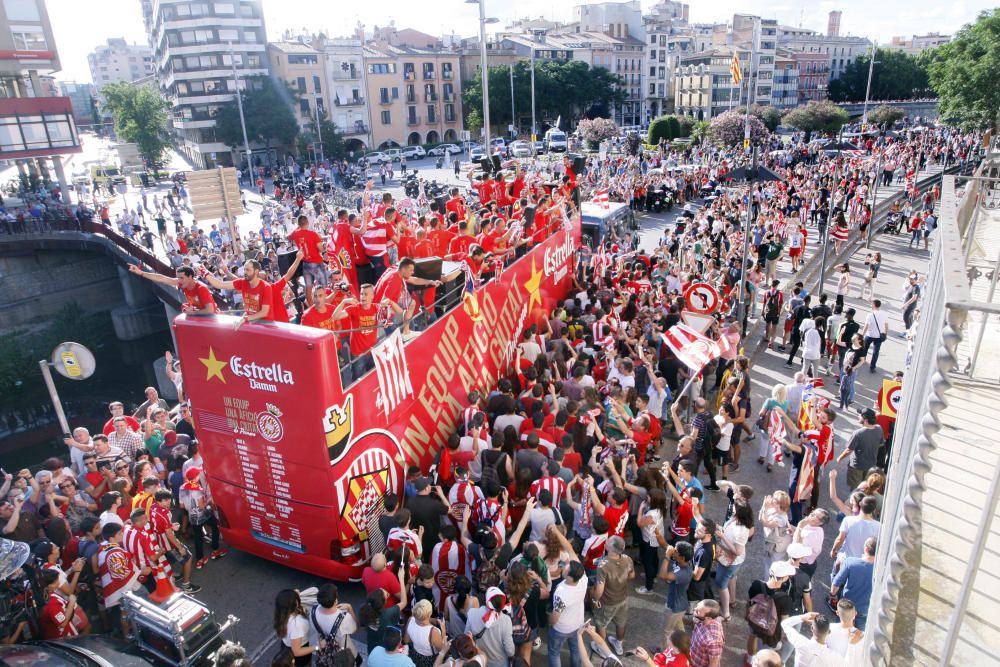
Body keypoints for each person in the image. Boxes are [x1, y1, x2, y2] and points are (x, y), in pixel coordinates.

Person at [590, 535, 634, 656]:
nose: (606, 542)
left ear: (612, 549)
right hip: (623, 599)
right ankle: (618, 644)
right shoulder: (628, 559)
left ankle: (602, 649)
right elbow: (631, 575)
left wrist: (594, 600)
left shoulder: (603, 566)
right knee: (621, 623)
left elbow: (599, 590)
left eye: (608, 542)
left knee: (601, 625)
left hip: (607, 602)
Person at [548, 558, 588, 667]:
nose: (563, 568)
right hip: (578, 624)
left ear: (570, 577)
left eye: (566, 568)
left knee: (554, 652)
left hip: (561, 628)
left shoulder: (561, 592)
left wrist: (549, 621)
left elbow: (555, 617)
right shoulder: (583, 580)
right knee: (575, 649)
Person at [831, 537, 877, 630]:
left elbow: (835, 584)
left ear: (866, 549)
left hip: (846, 606)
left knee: (840, 630)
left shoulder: (851, 562)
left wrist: (833, 595)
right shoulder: (880, 571)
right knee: (858, 636)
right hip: (865, 610)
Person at [464, 587, 515, 667]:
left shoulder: (472, 613)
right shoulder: (506, 620)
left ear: (486, 600)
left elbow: (467, 637)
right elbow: (510, 651)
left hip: (480, 662)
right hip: (500, 664)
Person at [835, 409, 883, 491]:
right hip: (871, 465)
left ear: (866, 420)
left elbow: (849, 450)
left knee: (855, 488)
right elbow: (881, 444)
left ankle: (853, 501)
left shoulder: (858, 433)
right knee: (866, 487)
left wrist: (839, 458)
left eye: (860, 416)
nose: (858, 416)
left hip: (857, 466)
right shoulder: (879, 429)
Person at [660, 541, 694, 641]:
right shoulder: (682, 561)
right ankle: (685, 646)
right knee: (679, 628)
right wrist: (657, 533)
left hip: (674, 607)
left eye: (676, 551)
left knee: (666, 631)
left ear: (682, 557)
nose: (673, 552)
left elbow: (663, 575)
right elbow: (665, 545)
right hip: (681, 605)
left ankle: (664, 652)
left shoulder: (684, 573)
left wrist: (667, 557)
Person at [274, 589, 314, 666]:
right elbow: (297, 652)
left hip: (286, 647)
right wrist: (317, 647)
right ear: (295, 603)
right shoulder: (297, 624)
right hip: (299, 657)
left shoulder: (281, 613)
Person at [689, 599, 724, 667]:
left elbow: (713, 664)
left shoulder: (713, 641)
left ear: (708, 618)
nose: (694, 610)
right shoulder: (702, 620)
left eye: (697, 611)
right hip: (693, 659)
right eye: (696, 607)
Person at [861, 300, 889, 373]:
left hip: (869, 335)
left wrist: (862, 335)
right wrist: (885, 334)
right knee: (876, 352)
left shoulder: (870, 315)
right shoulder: (884, 314)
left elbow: (866, 326)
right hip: (879, 336)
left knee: (865, 348)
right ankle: (872, 367)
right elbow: (886, 325)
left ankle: (863, 360)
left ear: (873, 305)